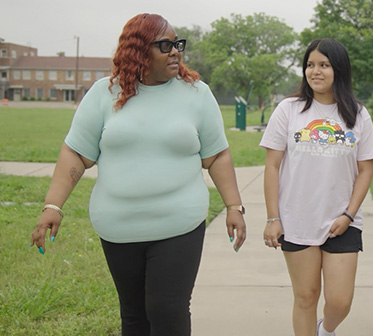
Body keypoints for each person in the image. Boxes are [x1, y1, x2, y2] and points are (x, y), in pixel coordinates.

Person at [30, 13, 246, 335]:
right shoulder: (105, 94)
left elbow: (216, 155)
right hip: (119, 227)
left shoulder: (197, 94)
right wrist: (53, 206)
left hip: (179, 223)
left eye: (177, 44)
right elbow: (76, 153)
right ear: (138, 51)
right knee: (134, 316)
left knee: (167, 310)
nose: (175, 51)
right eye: (165, 45)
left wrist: (233, 206)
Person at [260, 38, 373, 336]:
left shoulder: (357, 113)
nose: (316, 71)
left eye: (324, 65)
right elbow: (272, 167)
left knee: (340, 301)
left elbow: (366, 170)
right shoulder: (289, 110)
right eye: (310, 65)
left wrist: (349, 215)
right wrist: (273, 218)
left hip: (342, 221)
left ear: (339, 70)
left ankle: (325, 330)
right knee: (305, 297)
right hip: (296, 220)